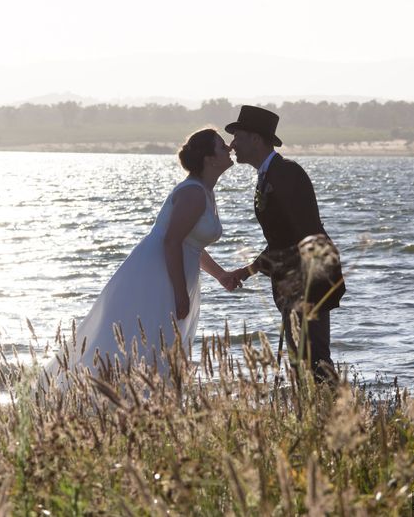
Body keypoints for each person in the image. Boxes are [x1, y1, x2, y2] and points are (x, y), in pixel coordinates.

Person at [43, 128, 241, 389]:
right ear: (209, 158)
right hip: (158, 276)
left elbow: (190, 245)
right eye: (222, 145)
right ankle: (98, 396)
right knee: (146, 341)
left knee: (160, 347)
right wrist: (180, 294)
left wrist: (221, 275)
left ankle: (145, 405)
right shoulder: (193, 193)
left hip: (176, 273)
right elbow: (171, 242)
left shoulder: (204, 191)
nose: (229, 148)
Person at [226, 105, 345, 384]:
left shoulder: (287, 173)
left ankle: (341, 420)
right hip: (292, 283)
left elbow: (299, 237)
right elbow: (282, 239)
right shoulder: (268, 175)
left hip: (309, 281)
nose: (232, 144)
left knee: (315, 363)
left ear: (256, 139)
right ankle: (318, 420)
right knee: (302, 364)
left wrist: (247, 271)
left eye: (238, 136)